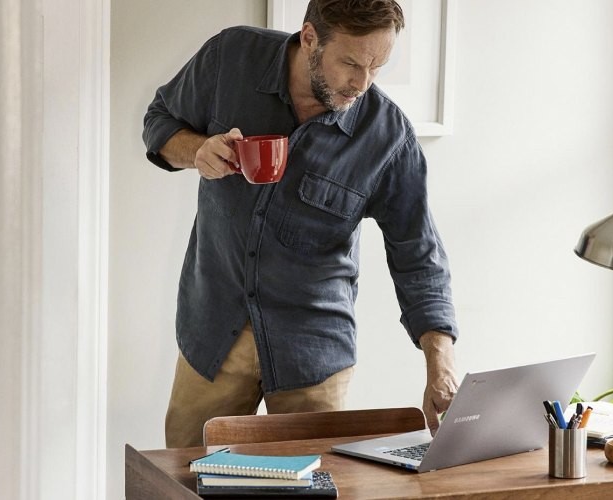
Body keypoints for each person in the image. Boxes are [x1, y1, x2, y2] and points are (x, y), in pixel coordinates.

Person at [143, 0, 459, 448]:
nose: (361, 84)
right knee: (184, 482)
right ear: (309, 37)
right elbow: (159, 121)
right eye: (350, 62)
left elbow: (417, 253)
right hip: (214, 334)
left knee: (312, 488)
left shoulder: (386, 136)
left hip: (312, 355)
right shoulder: (231, 57)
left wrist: (439, 362)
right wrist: (196, 150)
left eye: (377, 66)